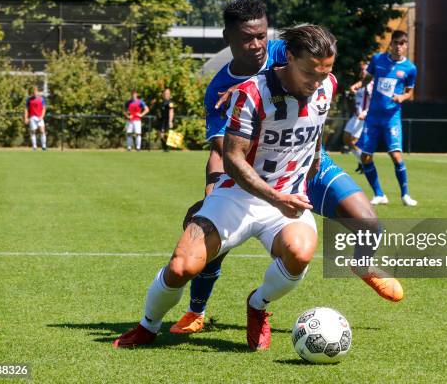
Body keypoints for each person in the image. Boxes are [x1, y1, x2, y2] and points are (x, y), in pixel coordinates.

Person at [168, 0, 403, 337]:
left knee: (368, 222)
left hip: (308, 162)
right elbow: (223, 148)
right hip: (256, 175)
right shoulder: (219, 88)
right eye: (247, 38)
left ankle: (361, 263)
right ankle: (196, 310)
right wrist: (214, 189)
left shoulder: (283, 50)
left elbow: (317, 57)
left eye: (262, 35)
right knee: (209, 237)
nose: (257, 44)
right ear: (228, 38)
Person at [113, 24, 337, 351]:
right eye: (309, 73)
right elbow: (232, 159)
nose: (316, 82)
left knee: (300, 253)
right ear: (289, 57)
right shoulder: (252, 93)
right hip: (236, 197)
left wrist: (315, 158)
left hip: (286, 201)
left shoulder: (326, 86)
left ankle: (258, 305)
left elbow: (315, 130)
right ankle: (148, 326)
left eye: (324, 73)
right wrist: (276, 197)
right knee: (181, 267)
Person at [355, 30, 418, 206]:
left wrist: (402, 98)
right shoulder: (378, 60)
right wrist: (358, 85)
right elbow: (367, 79)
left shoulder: (410, 68)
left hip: (392, 117)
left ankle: (405, 195)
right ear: (390, 44)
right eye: (396, 43)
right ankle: (379, 194)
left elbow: (410, 92)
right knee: (365, 157)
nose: (398, 47)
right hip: (373, 117)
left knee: (396, 156)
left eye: (402, 44)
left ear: (406, 46)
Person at [343, 70, 372, 172]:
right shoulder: (361, 83)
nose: (363, 72)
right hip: (355, 116)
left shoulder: (371, 85)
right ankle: (361, 162)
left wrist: (365, 112)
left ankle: (366, 163)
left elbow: (374, 102)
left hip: (362, 117)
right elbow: (354, 89)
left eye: (365, 70)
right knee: (346, 139)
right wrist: (352, 91)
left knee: (354, 142)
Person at [24, 87, 47, 151]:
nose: (35, 93)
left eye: (36, 92)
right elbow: (26, 109)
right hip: (32, 117)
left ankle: (44, 146)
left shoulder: (41, 99)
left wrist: (42, 116)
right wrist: (26, 118)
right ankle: (34, 147)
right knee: (33, 132)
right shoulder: (29, 99)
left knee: (42, 131)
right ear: (32, 93)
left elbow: (44, 108)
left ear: (38, 92)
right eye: (33, 92)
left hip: (40, 117)